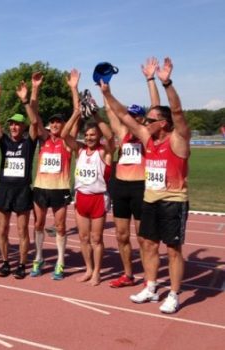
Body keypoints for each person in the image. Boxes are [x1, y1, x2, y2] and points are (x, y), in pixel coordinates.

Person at [100, 57, 190, 314]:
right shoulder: (147, 140)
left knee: (173, 250)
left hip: (173, 200)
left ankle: (174, 293)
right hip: (149, 199)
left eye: (150, 120)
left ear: (162, 123)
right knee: (148, 244)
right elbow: (123, 115)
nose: (145, 124)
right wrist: (107, 92)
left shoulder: (178, 138)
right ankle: (151, 286)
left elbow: (179, 113)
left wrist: (166, 83)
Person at [104, 57, 161, 288]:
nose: (132, 120)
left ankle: (150, 280)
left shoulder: (148, 135)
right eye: (130, 116)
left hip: (141, 187)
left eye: (137, 117)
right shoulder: (122, 134)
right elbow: (111, 110)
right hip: (120, 187)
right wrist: (105, 86)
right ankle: (128, 274)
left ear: (142, 119)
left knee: (144, 238)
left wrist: (150, 79)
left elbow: (156, 108)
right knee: (121, 235)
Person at [30, 69, 81, 280]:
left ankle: (60, 261)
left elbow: (77, 111)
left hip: (59, 189)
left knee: (60, 226)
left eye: (59, 122)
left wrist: (73, 88)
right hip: (41, 188)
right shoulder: (43, 140)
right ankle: (39, 257)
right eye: (53, 122)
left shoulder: (67, 143)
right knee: (38, 224)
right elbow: (34, 117)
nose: (55, 124)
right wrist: (35, 89)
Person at [0, 80, 39, 279]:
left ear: (23, 126)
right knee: (2, 230)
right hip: (5, 189)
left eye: (17, 123)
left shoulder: (29, 143)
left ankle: (21, 264)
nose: (13, 126)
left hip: (22, 191)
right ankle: (5, 262)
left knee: (22, 231)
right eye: (11, 123)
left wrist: (25, 101)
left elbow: (35, 123)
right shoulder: (5, 143)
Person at [61, 106, 114, 286]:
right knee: (83, 238)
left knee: (96, 239)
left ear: (98, 136)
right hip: (81, 198)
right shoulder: (80, 150)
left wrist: (95, 115)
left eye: (93, 135)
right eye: (87, 135)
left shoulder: (104, 152)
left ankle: (97, 272)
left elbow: (111, 137)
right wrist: (76, 113)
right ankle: (89, 269)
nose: (89, 138)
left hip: (98, 199)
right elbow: (64, 134)